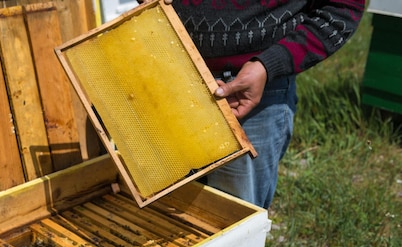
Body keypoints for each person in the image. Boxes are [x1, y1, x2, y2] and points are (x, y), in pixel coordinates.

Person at [143, 0, 365, 210]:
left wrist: (269, 65)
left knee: (231, 215)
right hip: (167, 66)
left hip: (248, 89)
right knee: (163, 206)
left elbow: (343, 8)